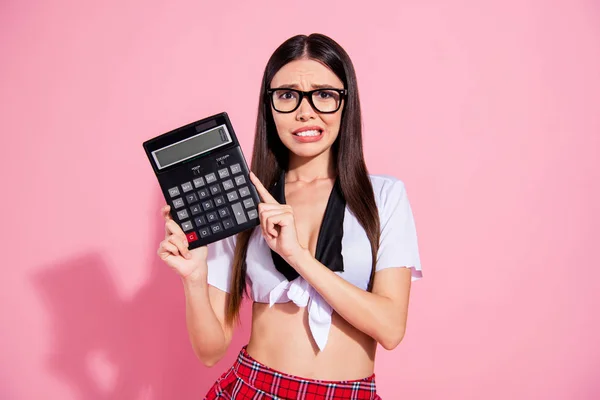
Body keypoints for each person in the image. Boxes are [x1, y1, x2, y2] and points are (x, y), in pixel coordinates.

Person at [157, 33, 423, 399]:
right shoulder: (241, 197)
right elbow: (209, 350)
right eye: (287, 96)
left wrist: (296, 255)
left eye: (324, 95)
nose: (305, 112)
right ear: (269, 106)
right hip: (255, 387)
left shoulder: (384, 196)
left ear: (347, 103)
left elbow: (390, 329)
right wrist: (194, 277)